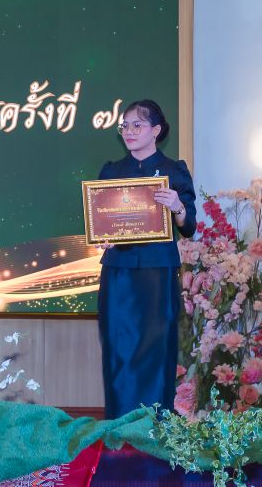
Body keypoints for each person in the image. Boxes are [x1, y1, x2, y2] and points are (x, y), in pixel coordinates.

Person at [97, 99, 196, 418]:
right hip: (119, 273)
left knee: (157, 349)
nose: (128, 131)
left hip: (157, 274)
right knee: (118, 349)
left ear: (156, 130)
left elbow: (189, 227)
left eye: (136, 125)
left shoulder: (174, 171)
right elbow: (101, 221)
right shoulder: (111, 171)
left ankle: (156, 427)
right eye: (124, 126)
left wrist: (177, 207)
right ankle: (119, 429)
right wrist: (102, 236)